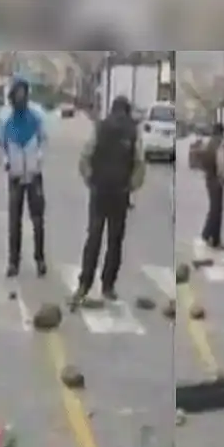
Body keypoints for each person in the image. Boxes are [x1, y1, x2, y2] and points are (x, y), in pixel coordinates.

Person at [73, 95, 145, 302]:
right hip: (120, 193)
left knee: (93, 237)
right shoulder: (133, 131)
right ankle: (108, 285)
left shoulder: (100, 127)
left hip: (99, 191)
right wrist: (130, 187)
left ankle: (84, 283)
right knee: (115, 240)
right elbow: (140, 162)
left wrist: (91, 180)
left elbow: (85, 156)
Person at [0, 78, 48, 277]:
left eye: (24, 93)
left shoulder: (36, 117)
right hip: (15, 176)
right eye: (17, 94)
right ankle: (13, 262)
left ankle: (40, 259)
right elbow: (0, 143)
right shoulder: (6, 120)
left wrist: (39, 157)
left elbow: (44, 140)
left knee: (37, 220)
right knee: (14, 221)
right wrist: (5, 161)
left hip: (34, 175)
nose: (21, 97)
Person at [199, 123, 224, 249]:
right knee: (217, 210)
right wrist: (222, 178)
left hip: (209, 178)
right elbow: (221, 164)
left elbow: (203, 161)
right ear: (221, 133)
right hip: (216, 180)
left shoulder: (208, 144)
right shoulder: (218, 145)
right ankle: (212, 237)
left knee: (213, 209)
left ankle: (209, 235)